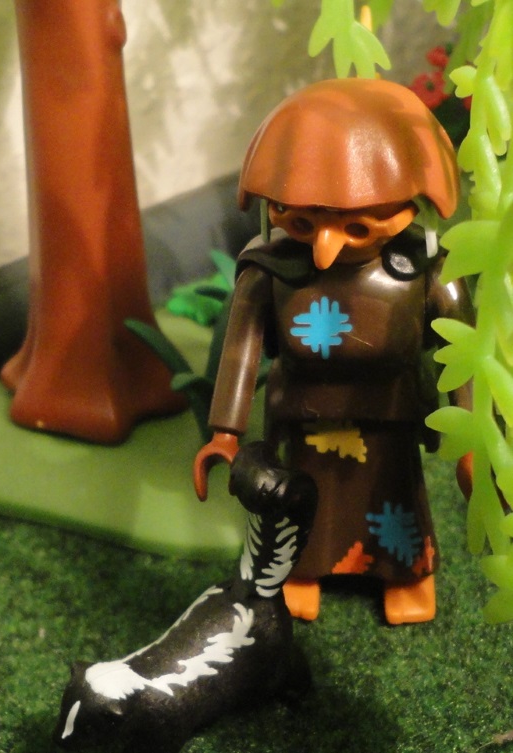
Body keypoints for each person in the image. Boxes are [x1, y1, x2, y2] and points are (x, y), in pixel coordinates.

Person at [193, 78, 473, 625]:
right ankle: (302, 567)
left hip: (389, 411)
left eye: (356, 226)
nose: (325, 246)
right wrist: (225, 432)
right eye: (303, 222)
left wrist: (471, 438)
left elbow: (462, 351)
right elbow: (242, 347)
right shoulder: (271, 272)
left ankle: (404, 572)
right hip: (303, 410)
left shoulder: (424, 272)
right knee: (305, 496)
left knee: (394, 492)